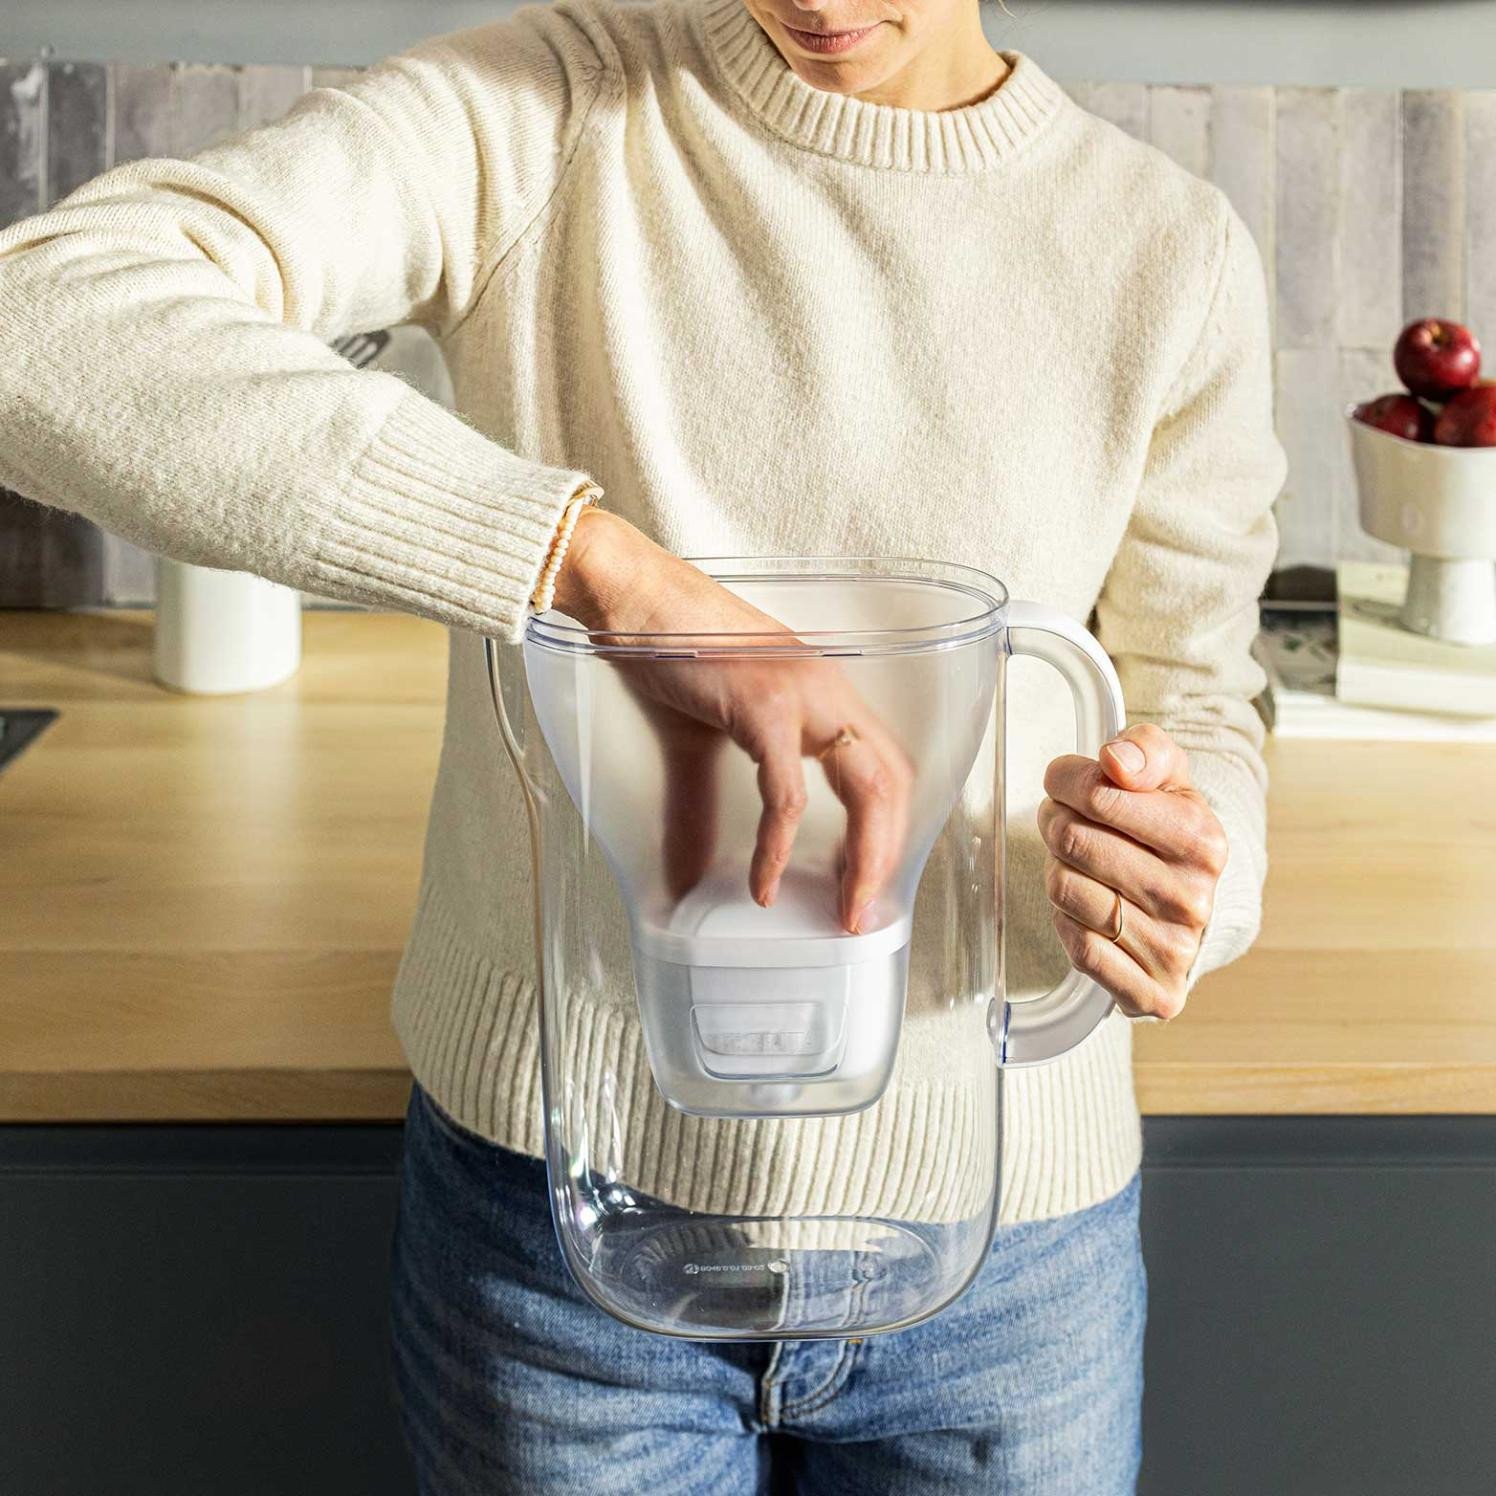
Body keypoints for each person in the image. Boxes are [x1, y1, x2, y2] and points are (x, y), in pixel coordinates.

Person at [0, 0, 1286, 1488]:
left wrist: (1190, 868)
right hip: (561, 1238)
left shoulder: (1166, 250)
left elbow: (1200, 702)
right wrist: (587, 566)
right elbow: (43, 316)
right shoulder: (545, 111)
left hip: (1011, 1266)